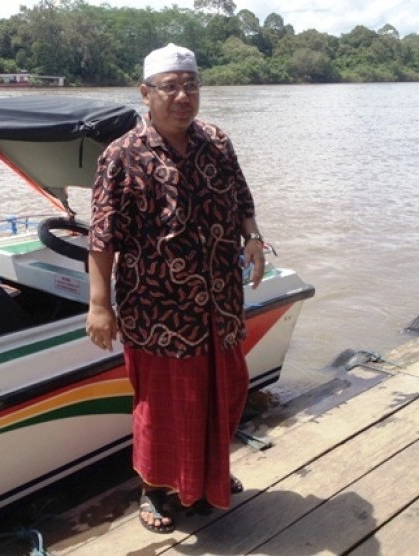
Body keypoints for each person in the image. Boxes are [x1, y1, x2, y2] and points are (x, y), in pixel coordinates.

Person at [86, 43, 266, 533]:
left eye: (191, 85)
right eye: (171, 87)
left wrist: (252, 237)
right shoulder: (120, 157)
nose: (183, 96)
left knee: (226, 390)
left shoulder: (218, 142)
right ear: (146, 94)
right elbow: (102, 239)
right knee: (165, 408)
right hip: (159, 312)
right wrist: (99, 305)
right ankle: (156, 492)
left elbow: (242, 198)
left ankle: (211, 474)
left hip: (221, 304)